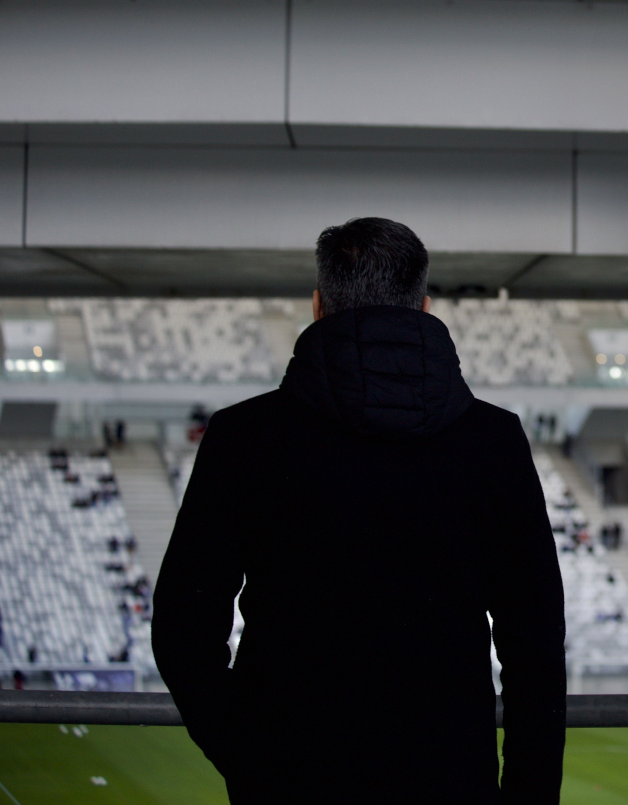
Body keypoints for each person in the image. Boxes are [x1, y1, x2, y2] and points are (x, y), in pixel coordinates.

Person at [152, 217, 566, 805]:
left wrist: (250, 758)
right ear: (424, 307)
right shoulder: (494, 442)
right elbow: (535, 645)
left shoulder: (243, 436)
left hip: (286, 783)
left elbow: (182, 628)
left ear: (317, 306)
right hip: (450, 782)